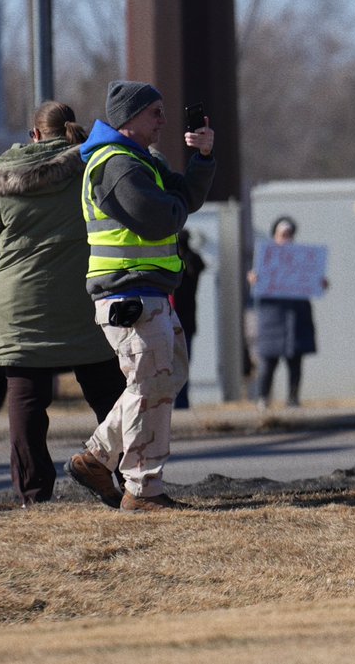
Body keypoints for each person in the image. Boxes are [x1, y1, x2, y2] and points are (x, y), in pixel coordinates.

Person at [0, 101, 126, 508]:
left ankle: (34, 496)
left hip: (20, 310)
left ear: (34, 134)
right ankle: (128, 477)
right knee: (109, 391)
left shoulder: (1, 179)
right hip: (84, 303)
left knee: (26, 401)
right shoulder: (94, 169)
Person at [65, 80, 216, 511]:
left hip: (148, 294)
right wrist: (176, 204)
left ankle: (96, 457)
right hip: (129, 295)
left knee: (162, 379)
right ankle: (143, 490)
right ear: (130, 118)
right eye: (155, 113)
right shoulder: (116, 165)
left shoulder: (142, 160)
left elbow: (185, 198)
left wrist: (202, 158)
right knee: (150, 384)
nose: (164, 121)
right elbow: (160, 219)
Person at [250, 216, 319, 409]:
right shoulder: (266, 259)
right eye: (282, 234)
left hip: (296, 319)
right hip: (271, 319)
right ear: (275, 236)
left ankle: (293, 398)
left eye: (289, 234)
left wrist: (318, 283)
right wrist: (254, 280)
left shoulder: (301, 259)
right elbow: (256, 285)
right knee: (267, 363)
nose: (286, 238)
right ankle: (263, 398)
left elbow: (313, 281)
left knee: (295, 362)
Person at [171, 228, 205, 410]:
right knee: (168, 366)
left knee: (182, 365)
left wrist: (183, 253)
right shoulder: (168, 261)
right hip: (168, 320)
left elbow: (196, 267)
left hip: (184, 322)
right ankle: (171, 403)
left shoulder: (191, 261)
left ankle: (182, 403)